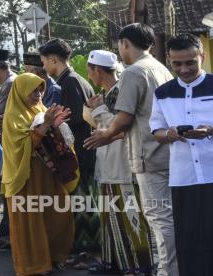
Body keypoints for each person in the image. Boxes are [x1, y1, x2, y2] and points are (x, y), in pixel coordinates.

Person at [84, 23, 177, 276]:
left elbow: (123, 118)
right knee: (163, 217)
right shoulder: (160, 68)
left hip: (146, 155)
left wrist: (106, 133)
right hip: (164, 152)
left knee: (158, 219)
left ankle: (165, 271)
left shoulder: (133, 72)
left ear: (125, 43)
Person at [149, 33, 213, 276]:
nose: (184, 69)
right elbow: (156, 130)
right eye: (177, 63)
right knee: (188, 240)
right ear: (169, 60)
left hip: (212, 172)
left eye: (190, 62)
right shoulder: (162, 93)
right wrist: (170, 134)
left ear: (202, 57)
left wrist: (210, 130)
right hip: (183, 177)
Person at [85, 50, 153, 274]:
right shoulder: (108, 92)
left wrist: (98, 111)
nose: (89, 74)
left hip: (122, 165)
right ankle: (115, 263)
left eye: (90, 70)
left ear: (98, 70)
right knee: (111, 218)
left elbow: (122, 126)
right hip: (109, 164)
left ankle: (139, 266)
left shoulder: (118, 93)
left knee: (130, 218)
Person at [2, 73, 75, 275]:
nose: (38, 94)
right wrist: (45, 125)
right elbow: (24, 146)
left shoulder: (42, 110)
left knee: (56, 215)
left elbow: (57, 140)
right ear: (21, 91)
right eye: (33, 90)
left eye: (41, 89)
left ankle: (53, 256)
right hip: (26, 175)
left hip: (48, 173)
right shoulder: (13, 116)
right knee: (30, 220)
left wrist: (56, 124)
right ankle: (34, 264)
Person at [39, 38, 99, 255]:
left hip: (80, 153)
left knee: (83, 204)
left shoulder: (69, 82)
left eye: (44, 62)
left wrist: (50, 123)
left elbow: (76, 120)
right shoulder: (77, 80)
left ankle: (86, 251)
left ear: (53, 60)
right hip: (85, 151)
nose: (44, 66)